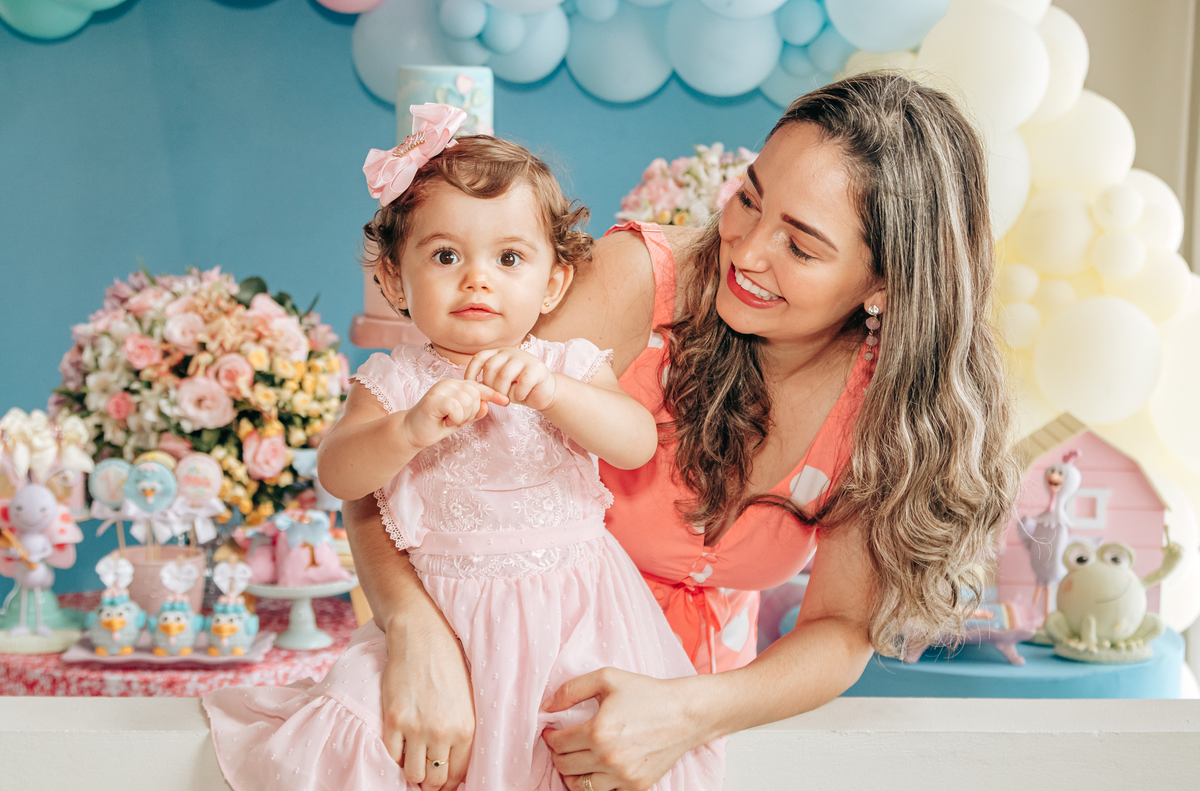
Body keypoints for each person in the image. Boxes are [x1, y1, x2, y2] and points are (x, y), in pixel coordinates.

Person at [342, 73, 1022, 791]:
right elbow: (396, 469)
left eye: (801, 246)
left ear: (884, 284)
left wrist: (685, 713)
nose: (747, 250)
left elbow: (841, 630)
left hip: (691, 718)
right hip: (508, 680)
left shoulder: (884, 406)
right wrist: (414, 627)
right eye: (750, 198)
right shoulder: (638, 280)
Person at [201, 104, 725, 791]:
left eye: (509, 258)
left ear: (553, 283)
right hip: (445, 615)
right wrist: (409, 429)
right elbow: (339, 473)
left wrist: (553, 395)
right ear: (394, 280)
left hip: (574, 619)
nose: (478, 278)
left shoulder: (564, 362)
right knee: (370, 733)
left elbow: (632, 445)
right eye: (446, 255)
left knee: (587, 749)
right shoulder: (395, 379)